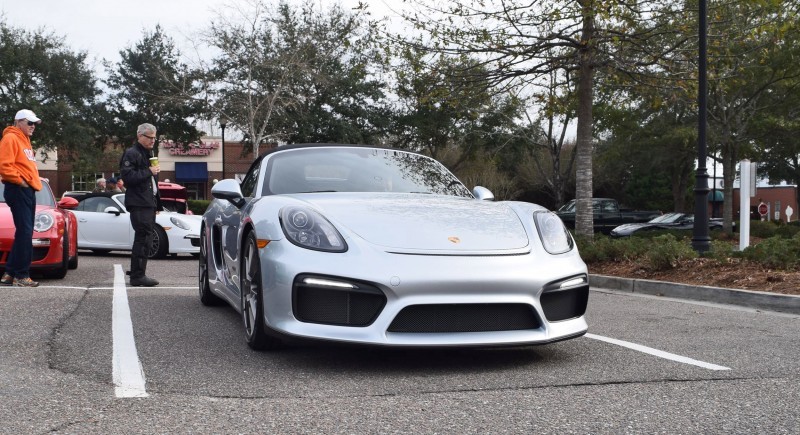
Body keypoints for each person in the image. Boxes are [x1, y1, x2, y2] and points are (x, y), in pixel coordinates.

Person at [0, 109, 44, 287]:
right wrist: (21, 181)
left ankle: (9, 273)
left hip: (26, 190)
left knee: (23, 232)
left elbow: (23, 165)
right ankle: (22, 275)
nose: (33, 126)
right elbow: (4, 166)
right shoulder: (11, 138)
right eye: (29, 122)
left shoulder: (24, 140)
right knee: (25, 232)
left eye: (34, 123)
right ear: (18, 122)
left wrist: (33, 179)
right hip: (18, 189)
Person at [119, 123, 161, 287]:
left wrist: (156, 204)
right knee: (143, 238)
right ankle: (137, 276)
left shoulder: (148, 153)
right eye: (149, 137)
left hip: (147, 202)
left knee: (146, 238)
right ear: (139, 136)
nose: (153, 140)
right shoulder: (132, 153)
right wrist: (149, 171)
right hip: (139, 202)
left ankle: (138, 273)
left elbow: (151, 182)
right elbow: (128, 177)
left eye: (154, 137)